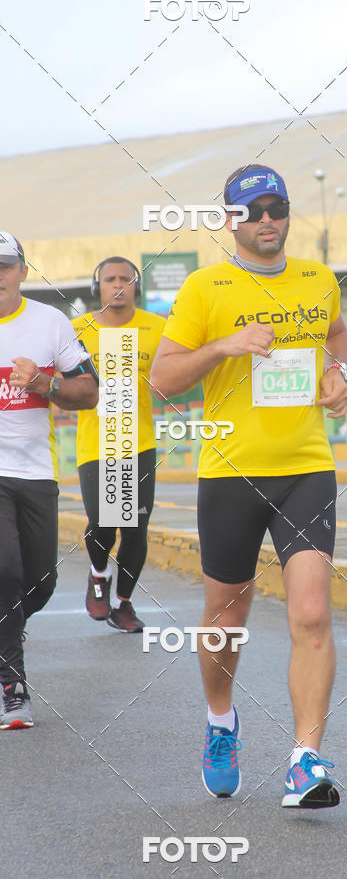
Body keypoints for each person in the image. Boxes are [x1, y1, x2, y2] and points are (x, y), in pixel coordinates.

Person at [151, 165, 347, 808]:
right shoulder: (204, 288)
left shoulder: (318, 280)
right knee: (227, 618)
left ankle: (305, 761)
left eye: (277, 207)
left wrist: (338, 374)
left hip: (306, 466)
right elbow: (162, 378)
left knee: (313, 612)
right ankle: (220, 722)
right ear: (230, 221)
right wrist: (226, 346)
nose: (268, 219)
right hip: (231, 474)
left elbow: (336, 334)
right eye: (253, 209)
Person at [0, 231, 98, 729]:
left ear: (22, 270)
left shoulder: (49, 322)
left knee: (38, 584)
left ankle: (3, 636)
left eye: (4, 266)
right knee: (5, 571)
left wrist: (42, 382)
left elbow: (88, 391)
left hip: (36, 471)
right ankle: (13, 687)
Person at [72, 257, 165, 633]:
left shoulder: (158, 328)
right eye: (109, 279)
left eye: (125, 279)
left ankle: (123, 604)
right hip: (95, 443)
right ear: (98, 287)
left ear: (135, 286)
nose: (118, 285)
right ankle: (98, 574)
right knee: (103, 523)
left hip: (138, 442)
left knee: (135, 529)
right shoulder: (78, 329)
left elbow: (178, 369)